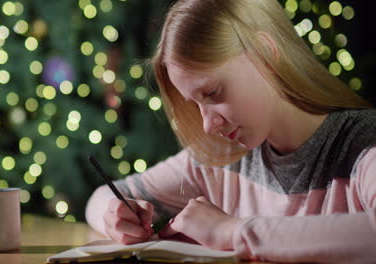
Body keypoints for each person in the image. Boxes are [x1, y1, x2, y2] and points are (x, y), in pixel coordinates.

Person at [85, 0, 376, 263]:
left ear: (265, 54)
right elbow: (101, 198)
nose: (208, 125)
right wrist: (115, 215)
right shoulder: (220, 158)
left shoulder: (364, 143)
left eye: (212, 92)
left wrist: (232, 231)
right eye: (196, 103)